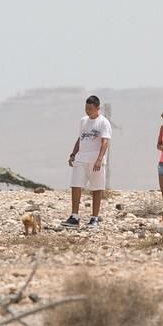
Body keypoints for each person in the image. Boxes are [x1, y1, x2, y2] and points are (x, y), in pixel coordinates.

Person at [61, 95, 112, 229]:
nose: (88, 111)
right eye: (86, 108)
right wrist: (73, 154)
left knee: (96, 188)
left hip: (95, 160)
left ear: (97, 108)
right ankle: (74, 216)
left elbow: (105, 142)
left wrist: (99, 160)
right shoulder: (83, 121)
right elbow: (80, 138)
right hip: (81, 158)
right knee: (76, 185)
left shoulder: (103, 122)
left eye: (90, 108)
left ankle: (94, 218)